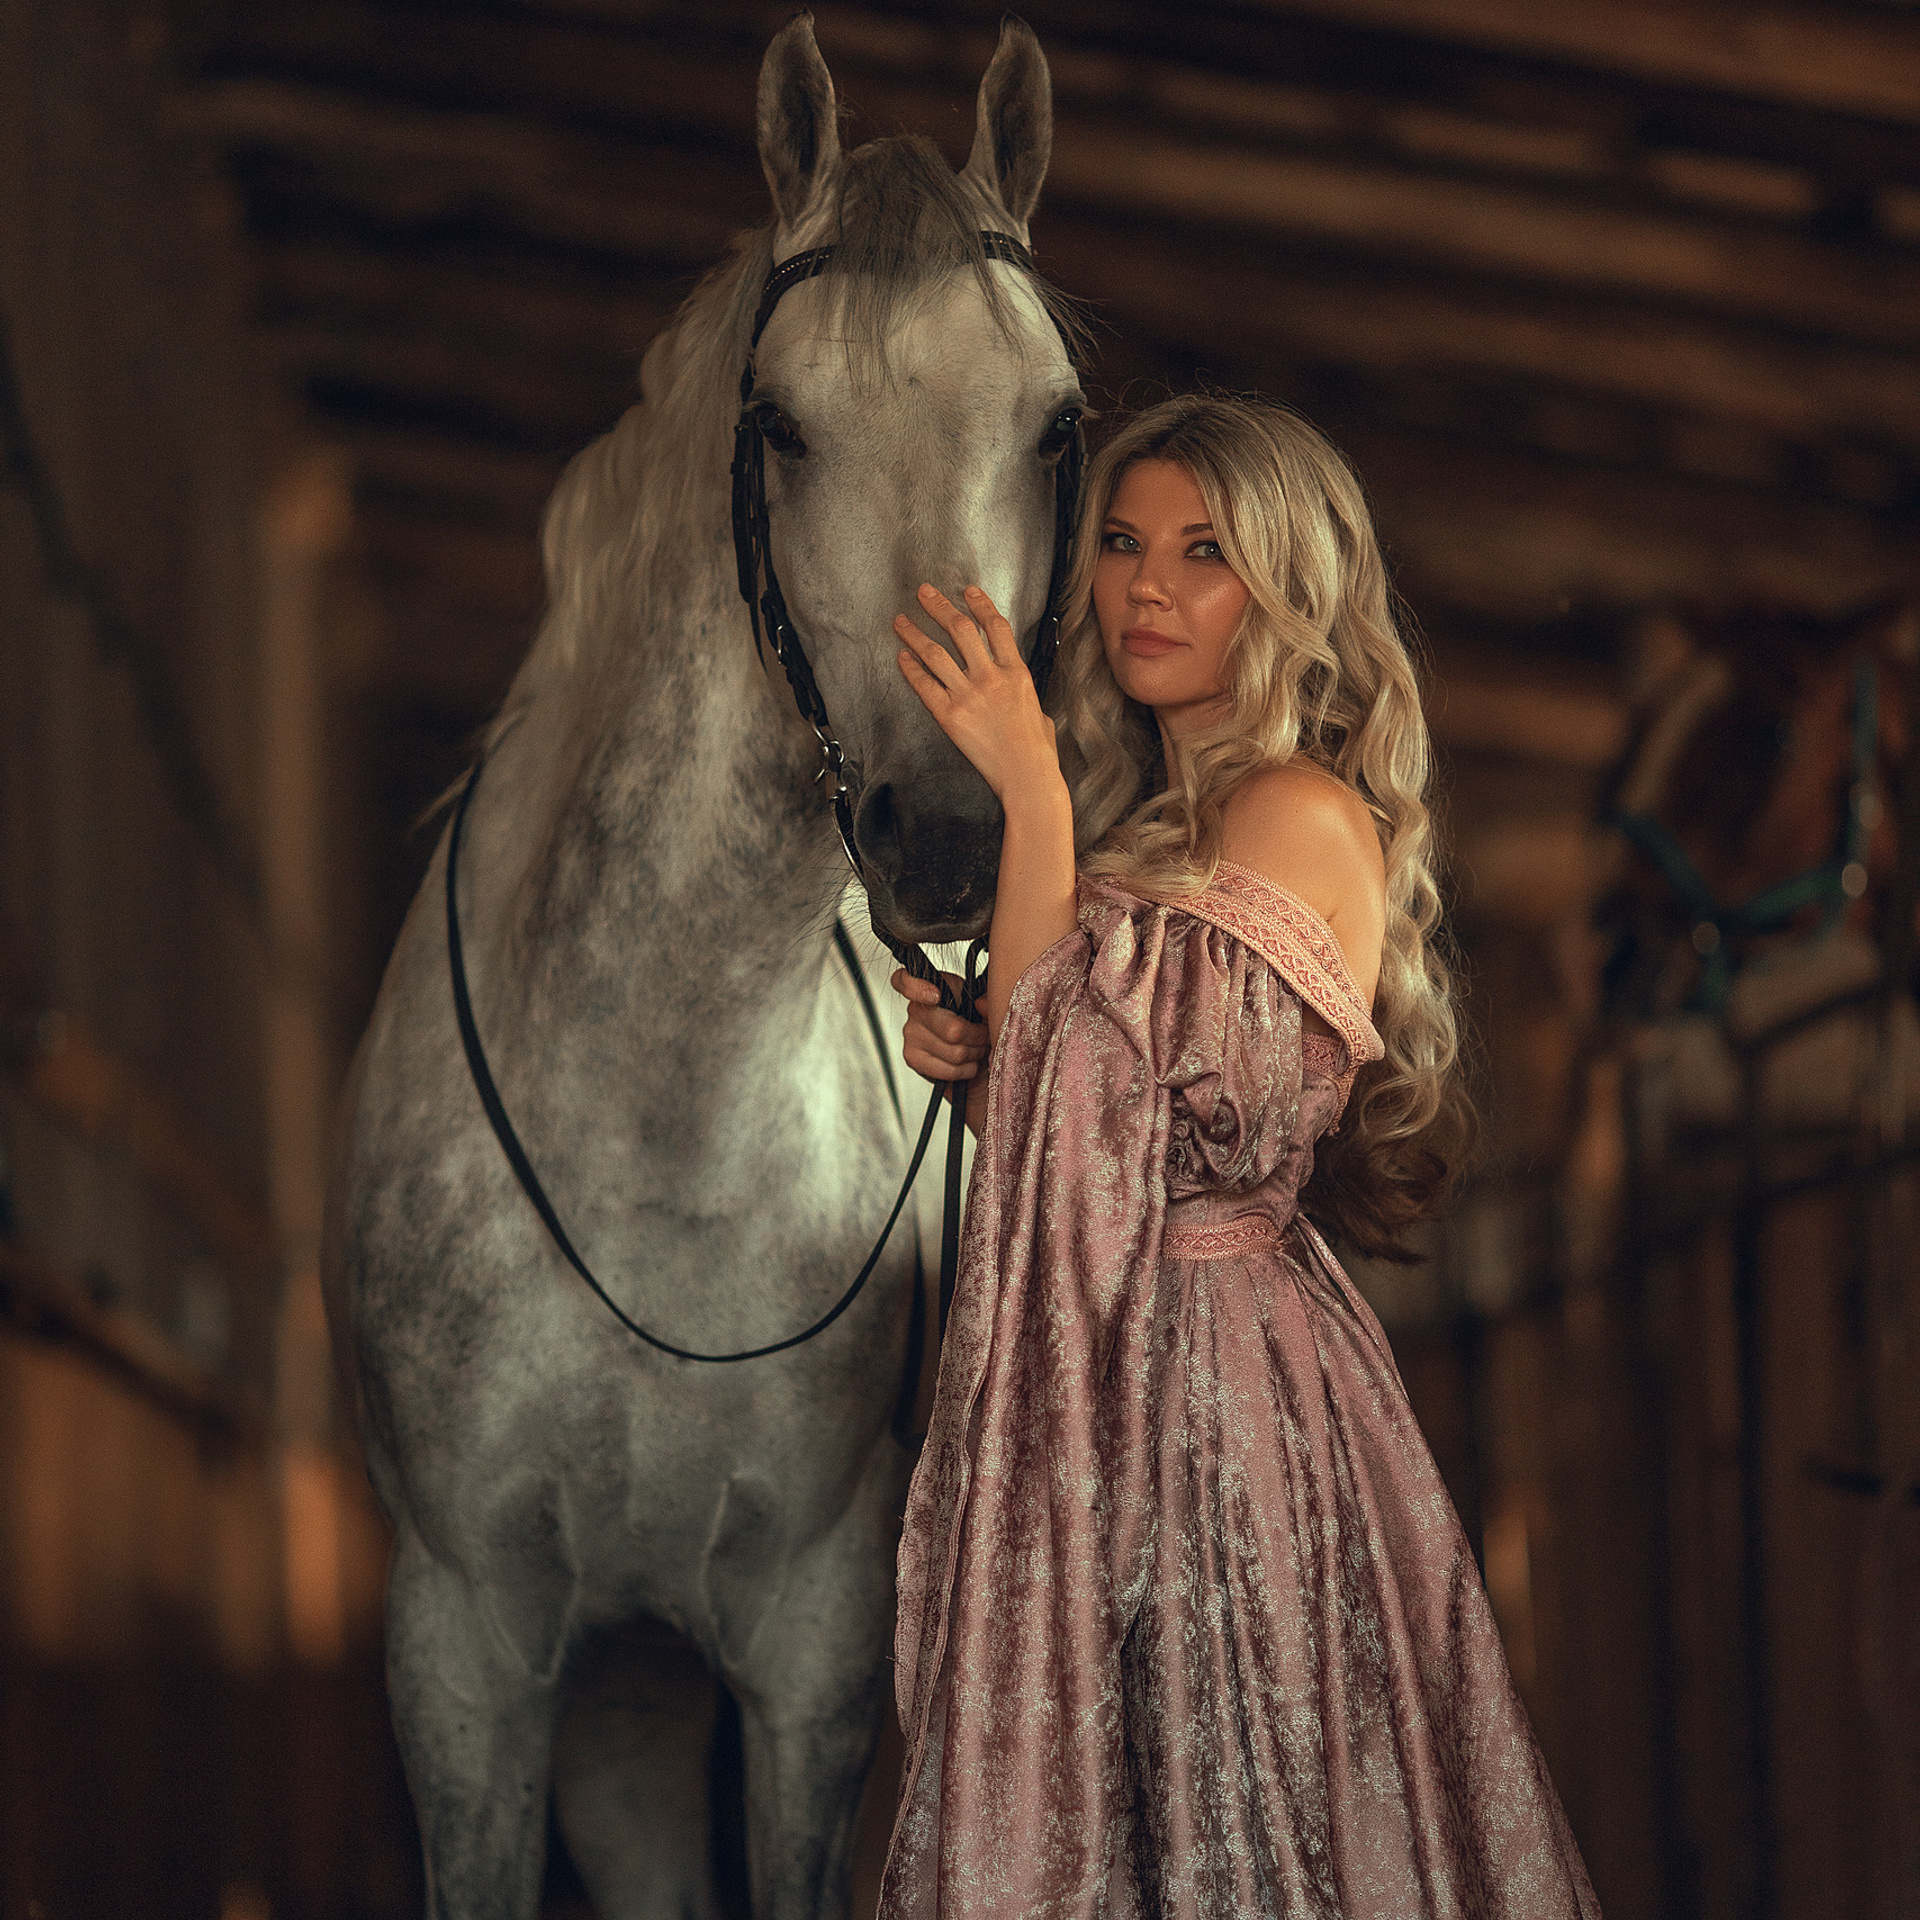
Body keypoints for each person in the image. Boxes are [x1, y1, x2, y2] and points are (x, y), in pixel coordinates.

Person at [875, 394, 1601, 1918]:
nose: (1147, 587)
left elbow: (1114, 1124)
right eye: (1123, 543)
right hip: (1104, 1362)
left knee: (1242, 1809)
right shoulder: (1144, 828)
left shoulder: (1297, 811)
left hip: (1216, 1383)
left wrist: (1027, 793)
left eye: (1204, 553)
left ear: (1287, 589)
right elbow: (1069, 1126)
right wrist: (985, 1070)